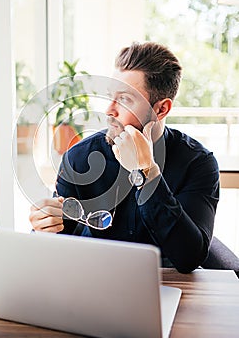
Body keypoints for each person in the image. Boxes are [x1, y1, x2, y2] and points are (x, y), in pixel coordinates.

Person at [29, 42, 220, 273]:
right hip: (94, 283)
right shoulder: (79, 157)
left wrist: (147, 171)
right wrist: (44, 228)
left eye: (125, 99)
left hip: (167, 287)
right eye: (110, 96)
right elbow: (60, 241)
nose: (109, 109)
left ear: (161, 109)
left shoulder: (197, 163)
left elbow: (189, 257)